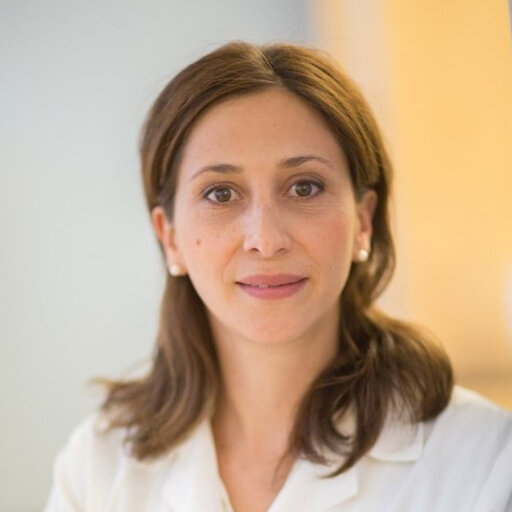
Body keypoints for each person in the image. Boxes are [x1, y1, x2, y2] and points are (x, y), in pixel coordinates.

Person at [44, 41, 512, 512]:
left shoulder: (486, 460)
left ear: (363, 221)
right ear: (170, 237)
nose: (265, 240)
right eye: (221, 193)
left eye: (304, 187)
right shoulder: (98, 467)